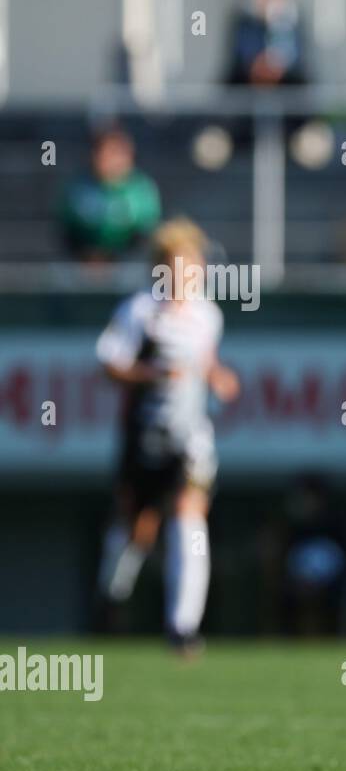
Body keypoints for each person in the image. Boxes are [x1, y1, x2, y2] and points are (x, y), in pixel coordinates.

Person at [95, 219, 240, 655]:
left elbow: (206, 362)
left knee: (189, 515)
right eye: (177, 265)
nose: (186, 274)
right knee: (137, 527)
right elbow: (109, 363)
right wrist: (151, 374)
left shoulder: (207, 315)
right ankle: (111, 597)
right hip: (144, 435)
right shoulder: (139, 312)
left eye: (193, 264)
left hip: (190, 435)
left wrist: (218, 377)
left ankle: (183, 626)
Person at [60, 124, 161, 263]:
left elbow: (146, 235)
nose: (110, 159)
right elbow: (67, 230)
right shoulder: (78, 188)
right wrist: (89, 257)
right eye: (104, 153)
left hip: (127, 265)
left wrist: (114, 260)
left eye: (116, 153)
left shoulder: (142, 191)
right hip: (82, 265)